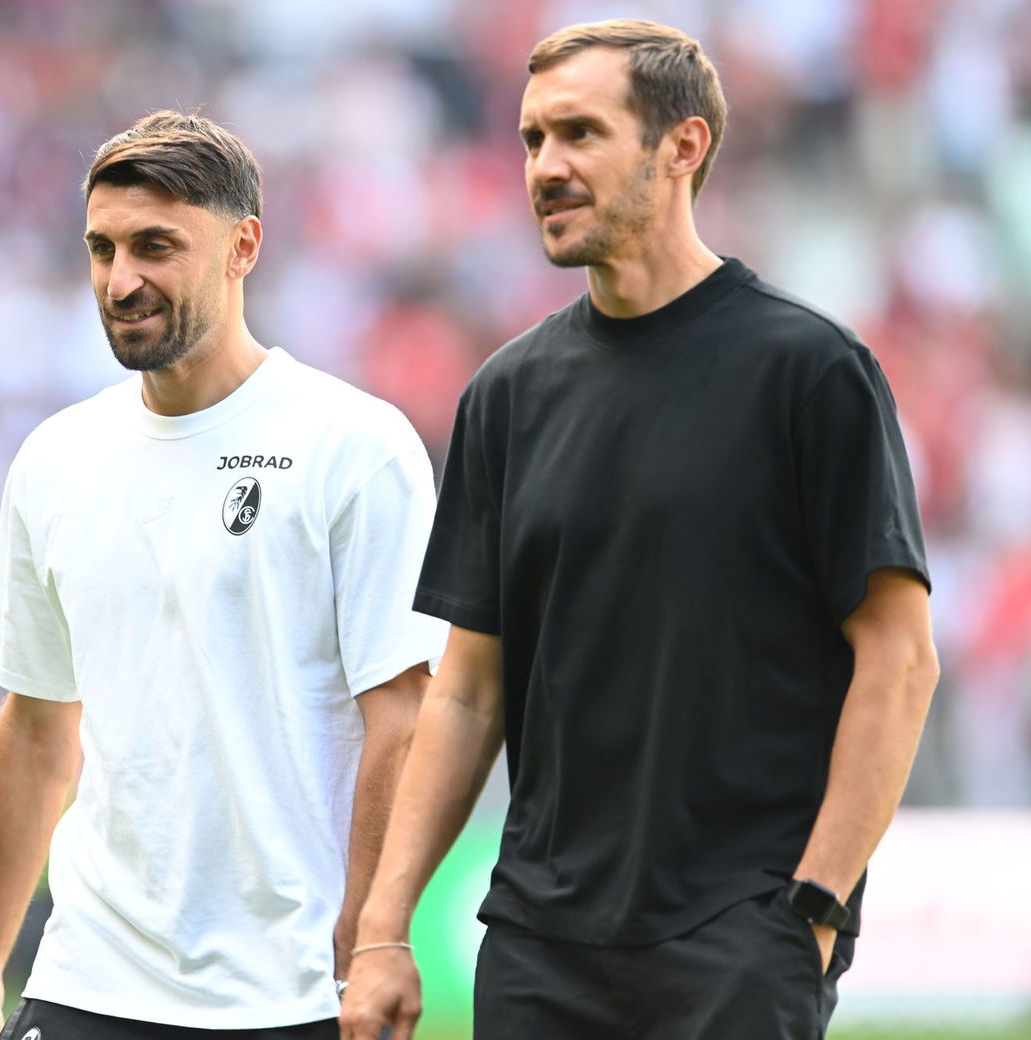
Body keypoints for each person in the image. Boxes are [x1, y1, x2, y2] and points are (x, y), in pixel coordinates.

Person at [341, 20, 937, 1040]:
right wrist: (383, 927)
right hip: (537, 945)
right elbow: (468, 690)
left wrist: (817, 905)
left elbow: (898, 658)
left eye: (578, 133)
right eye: (531, 140)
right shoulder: (505, 394)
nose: (545, 166)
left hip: (736, 938)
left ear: (681, 147)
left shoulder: (808, 371)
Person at [0, 110, 447, 1040]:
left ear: (242, 245)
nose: (120, 280)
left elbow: (404, 721)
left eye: (155, 246)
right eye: (101, 248)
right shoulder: (56, 459)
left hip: (288, 991)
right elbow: (37, 725)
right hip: (88, 974)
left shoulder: (355, 448)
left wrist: (371, 942)